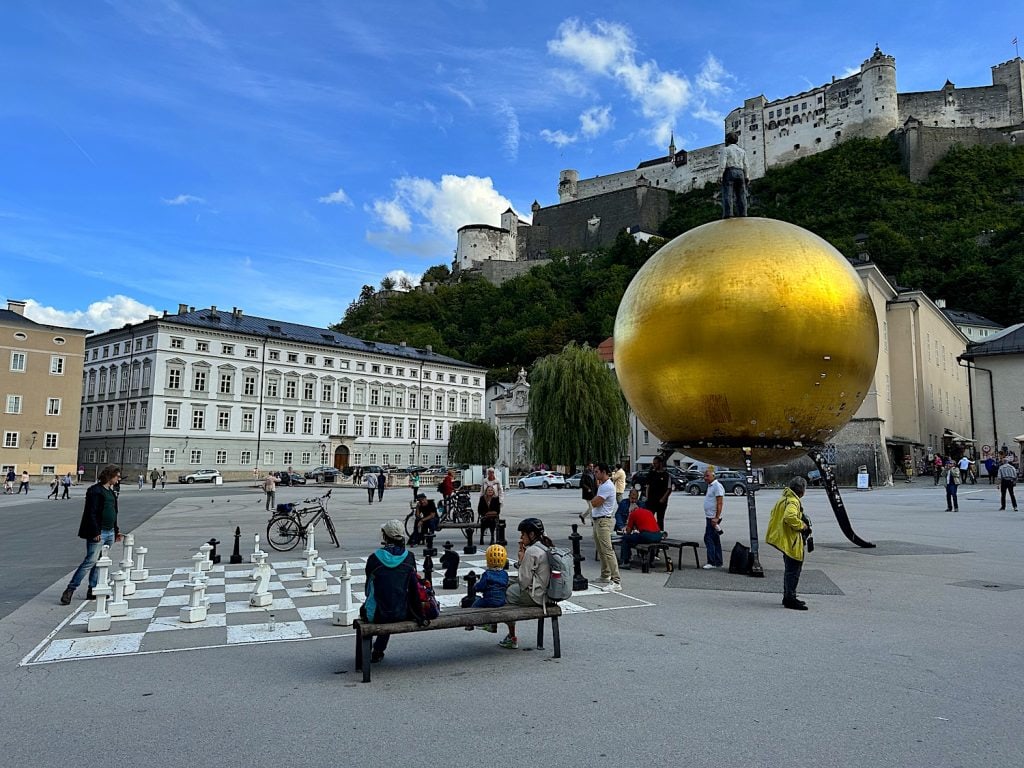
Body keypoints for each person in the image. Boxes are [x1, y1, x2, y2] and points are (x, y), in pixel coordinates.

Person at [60, 465, 124, 605]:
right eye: (117, 476)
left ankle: (93, 589)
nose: (118, 479)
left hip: (110, 532)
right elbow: (91, 513)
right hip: (99, 532)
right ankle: (70, 589)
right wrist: (95, 531)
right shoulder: (95, 491)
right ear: (110, 476)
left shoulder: (111, 492)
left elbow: (113, 513)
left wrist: (116, 530)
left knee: (99, 562)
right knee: (90, 561)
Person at [362, 519, 417, 664]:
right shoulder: (409, 557)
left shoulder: (374, 559)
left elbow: (368, 591)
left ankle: (374, 651)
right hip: (404, 611)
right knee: (392, 601)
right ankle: (378, 650)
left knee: (381, 603)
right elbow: (413, 586)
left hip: (378, 613)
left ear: (385, 537)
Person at [500, 518, 554, 650]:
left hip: (535, 596)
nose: (521, 537)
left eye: (523, 534)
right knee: (505, 582)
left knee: (502, 592)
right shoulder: (546, 546)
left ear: (531, 534)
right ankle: (506, 632)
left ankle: (511, 636)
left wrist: (521, 559)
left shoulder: (531, 551)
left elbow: (524, 581)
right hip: (546, 594)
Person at [765, 477, 812, 610]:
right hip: (792, 540)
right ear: (802, 491)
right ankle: (790, 599)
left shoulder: (783, 499)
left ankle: (789, 596)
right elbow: (789, 517)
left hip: (784, 539)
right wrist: (801, 525)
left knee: (790, 570)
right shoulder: (792, 501)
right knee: (794, 570)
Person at [589, 462, 622, 591]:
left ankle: (616, 580)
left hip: (603, 521)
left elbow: (595, 503)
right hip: (598, 520)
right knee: (600, 549)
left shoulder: (607, 486)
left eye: (597, 471)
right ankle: (605, 574)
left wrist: (593, 499)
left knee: (608, 550)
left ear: (603, 472)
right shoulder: (602, 485)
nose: (595, 474)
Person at [466, 544, 509, 633]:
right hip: (501, 601)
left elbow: (481, 586)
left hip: (489, 600)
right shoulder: (504, 574)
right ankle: (493, 626)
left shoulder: (487, 574)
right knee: (493, 606)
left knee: (474, 606)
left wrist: (475, 587)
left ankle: (470, 624)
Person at [619, 503, 662, 568]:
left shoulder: (633, 514)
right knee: (650, 542)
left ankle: (626, 561)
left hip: (647, 535)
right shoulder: (649, 512)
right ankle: (651, 561)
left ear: (631, 510)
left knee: (625, 538)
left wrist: (628, 529)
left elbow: (628, 531)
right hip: (658, 535)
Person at [719, 131, 749, 218]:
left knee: (728, 193)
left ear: (727, 140)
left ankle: (729, 214)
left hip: (729, 171)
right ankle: (743, 213)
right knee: (741, 194)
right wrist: (747, 176)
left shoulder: (726, 150)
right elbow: (746, 165)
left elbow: (722, 163)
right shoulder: (742, 151)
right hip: (740, 172)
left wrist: (720, 175)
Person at [702, 466, 725, 569]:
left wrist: (716, 517)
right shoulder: (710, 486)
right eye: (704, 476)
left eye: (707, 476)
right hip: (709, 516)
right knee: (714, 539)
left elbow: (720, 503)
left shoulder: (717, 486)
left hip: (713, 517)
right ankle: (718, 561)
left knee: (709, 538)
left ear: (713, 476)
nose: (705, 478)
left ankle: (711, 561)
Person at [643, 455, 673, 531]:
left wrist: (663, 499)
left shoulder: (666, 475)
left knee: (660, 519)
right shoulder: (651, 473)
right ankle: (649, 532)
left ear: (660, 463)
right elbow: (648, 485)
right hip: (651, 500)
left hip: (661, 502)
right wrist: (647, 497)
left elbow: (669, 489)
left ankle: (660, 533)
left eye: (655, 463)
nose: (654, 465)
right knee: (649, 517)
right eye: (653, 463)